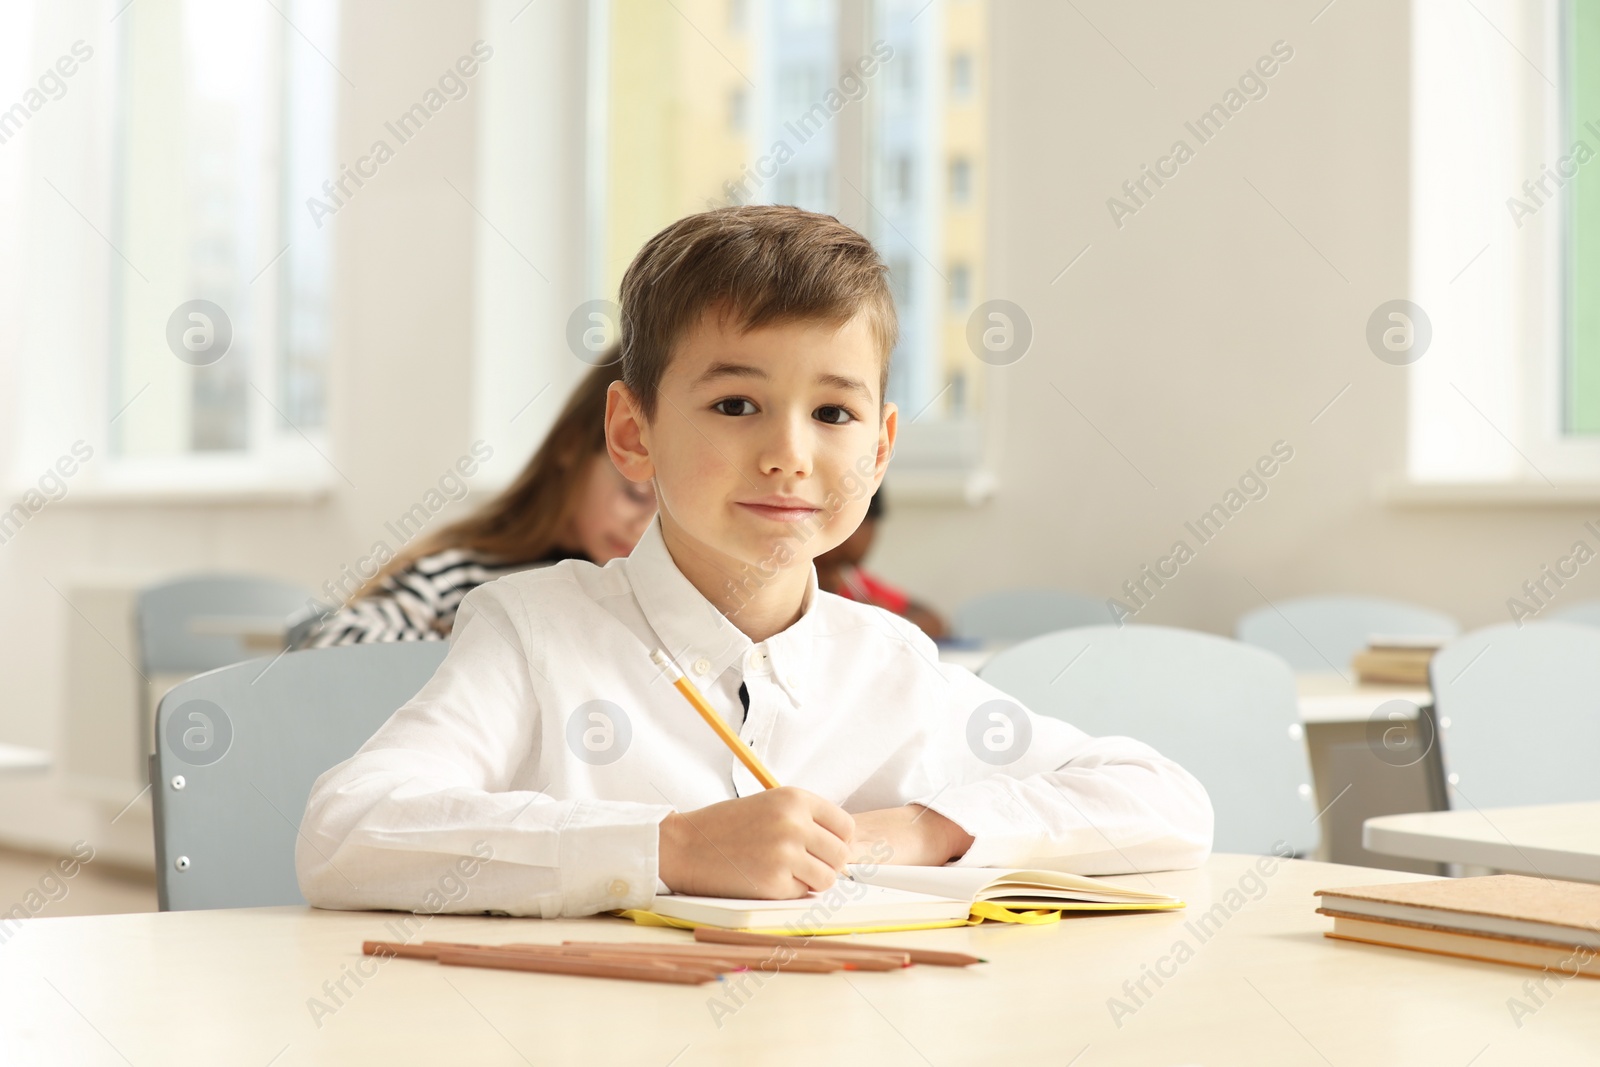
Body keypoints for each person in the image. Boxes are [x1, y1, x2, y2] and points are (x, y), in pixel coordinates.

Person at [297, 205, 1212, 917]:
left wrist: (910, 833)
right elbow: (348, 831)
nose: (790, 454)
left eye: (834, 413)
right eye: (736, 405)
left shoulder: (893, 666)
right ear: (632, 431)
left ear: (883, 446)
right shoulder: (534, 630)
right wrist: (673, 847)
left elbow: (1168, 805)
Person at [293, 355, 655, 646]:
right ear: (571, 446)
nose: (642, 527)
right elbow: (330, 645)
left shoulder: (647, 598)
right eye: (636, 494)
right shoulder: (461, 575)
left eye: (664, 516)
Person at [813, 488, 949, 638]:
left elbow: (934, 623)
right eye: (866, 522)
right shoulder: (801, 588)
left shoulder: (853, 582)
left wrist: (890, 621)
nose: (871, 536)